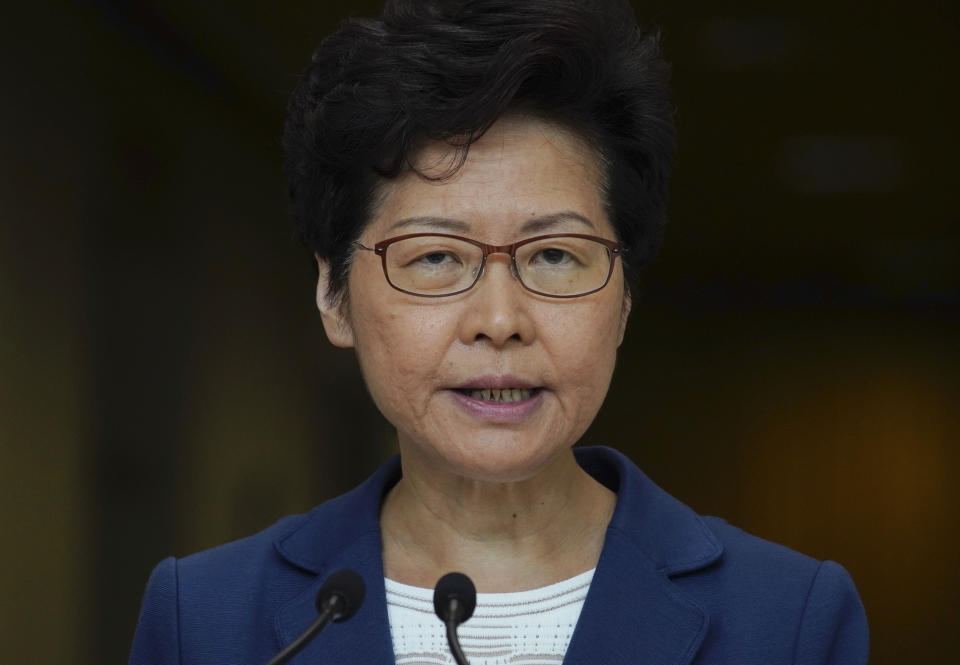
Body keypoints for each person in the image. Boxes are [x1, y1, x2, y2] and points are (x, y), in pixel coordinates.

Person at [129, 1, 869, 663]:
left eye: (553, 254)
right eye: (436, 256)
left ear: (625, 296)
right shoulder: (204, 619)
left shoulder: (789, 621)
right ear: (333, 293)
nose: (499, 322)